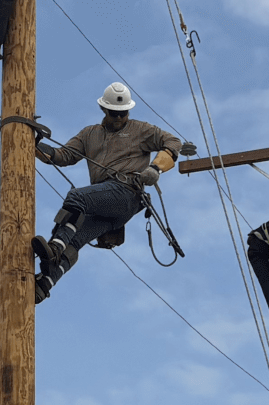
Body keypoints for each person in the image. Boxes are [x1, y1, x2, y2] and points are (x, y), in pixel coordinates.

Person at [32, 82, 184, 303]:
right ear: (104, 110)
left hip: (127, 194)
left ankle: (55, 248)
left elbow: (173, 142)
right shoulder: (89, 134)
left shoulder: (141, 130)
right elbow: (63, 156)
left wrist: (156, 167)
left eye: (123, 114)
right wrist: (30, 143)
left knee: (77, 198)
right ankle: (44, 285)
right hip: (105, 204)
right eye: (114, 114)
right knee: (76, 240)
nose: (119, 118)